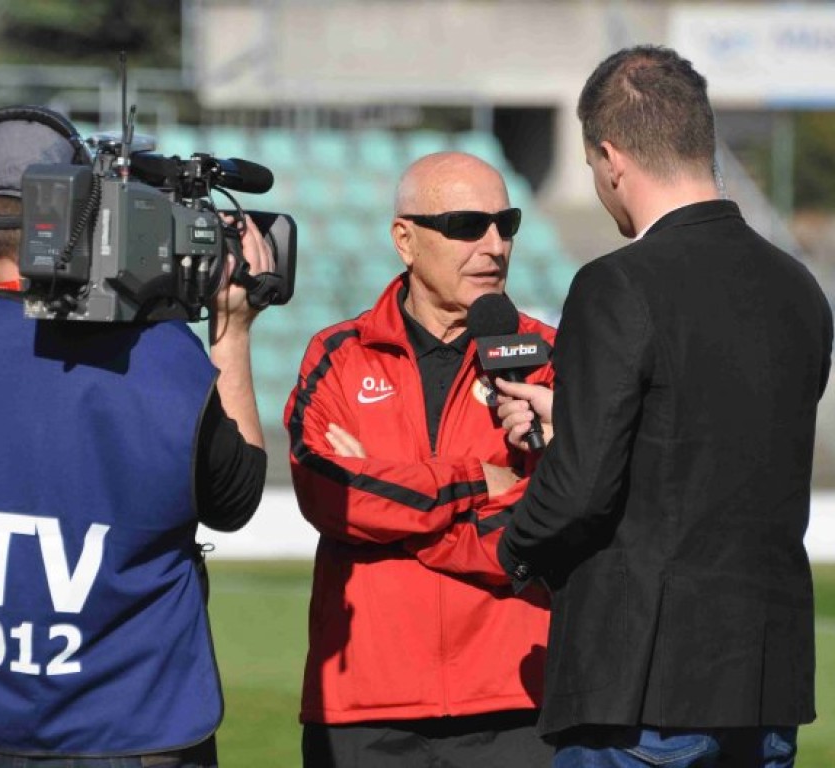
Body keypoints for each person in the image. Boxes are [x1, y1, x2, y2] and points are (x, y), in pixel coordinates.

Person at [0, 107, 273, 768]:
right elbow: (234, 500)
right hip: (137, 732)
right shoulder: (169, 359)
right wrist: (231, 331)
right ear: (83, 212)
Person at [492, 46, 833, 767]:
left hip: (643, 687)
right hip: (765, 684)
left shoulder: (616, 284)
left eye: (593, 166)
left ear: (612, 159)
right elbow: (717, 441)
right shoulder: (799, 287)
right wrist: (573, 419)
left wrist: (515, 546)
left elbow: (581, 492)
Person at [284, 151, 557, 767]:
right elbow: (329, 494)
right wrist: (475, 481)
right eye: (467, 225)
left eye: (506, 224)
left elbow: (549, 520)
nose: (494, 245)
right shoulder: (338, 354)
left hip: (517, 700)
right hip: (362, 710)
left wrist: (392, 506)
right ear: (404, 240)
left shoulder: (550, 355)